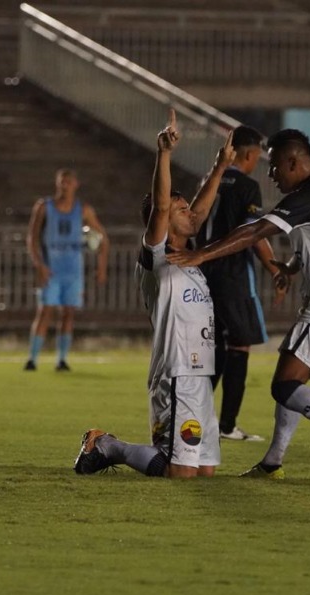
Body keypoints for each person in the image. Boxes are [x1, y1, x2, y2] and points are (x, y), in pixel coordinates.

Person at [167, 129, 310, 485]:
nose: (270, 174)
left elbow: (256, 231)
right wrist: (289, 268)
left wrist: (200, 253)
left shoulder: (309, 193)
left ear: (293, 161)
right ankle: (272, 463)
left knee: (284, 385)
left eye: (274, 166)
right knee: (292, 375)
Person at [74, 110, 232, 478]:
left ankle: (112, 446)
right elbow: (161, 207)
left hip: (199, 372)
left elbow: (199, 212)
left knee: (204, 471)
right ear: (161, 222)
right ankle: (108, 445)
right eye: (180, 209)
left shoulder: (189, 258)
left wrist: (220, 166)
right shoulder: (155, 255)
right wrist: (164, 153)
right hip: (174, 372)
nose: (189, 213)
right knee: (180, 472)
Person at [195, 124, 280, 442]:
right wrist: (275, 270)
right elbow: (253, 235)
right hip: (233, 276)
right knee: (239, 344)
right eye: (257, 154)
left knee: (213, 347)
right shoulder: (246, 186)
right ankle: (228, 425)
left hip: (204, 274)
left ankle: (199, 416)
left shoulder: (210, 179)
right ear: (249, 153)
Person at [24, 168, 109, 371]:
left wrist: (101, 267)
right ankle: (32, 359)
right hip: (50, 267)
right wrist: (39, 264)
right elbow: (32, 238)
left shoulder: (83, 210)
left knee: (68, 312)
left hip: (72, 270)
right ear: (57, 183)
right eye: (62, 182)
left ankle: (61, 359)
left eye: (69, 182)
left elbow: (104, 239)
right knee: (45, 310)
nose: (65, 186)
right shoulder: (44, 207)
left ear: (76, 185)